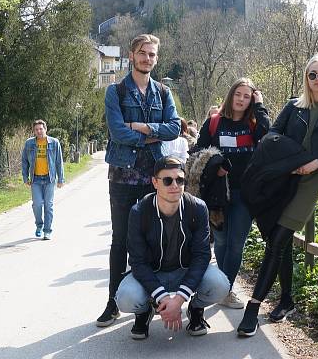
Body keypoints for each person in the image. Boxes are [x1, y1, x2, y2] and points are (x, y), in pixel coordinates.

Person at [236, 53, 318, 336]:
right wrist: (288, 160)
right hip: (283, 179)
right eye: (312, 74)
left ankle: (253, 308)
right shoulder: (294, 106)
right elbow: (271, 136)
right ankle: (287, 300)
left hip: (309, 184)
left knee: (278, 240)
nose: (317, 79)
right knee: (277, 240)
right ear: (306, 78)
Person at [96, 34, 181, 327]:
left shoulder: (163, 92)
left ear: (156, 58)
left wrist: (143, 127)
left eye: (152, 54)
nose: (147, 58)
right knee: (120, 241)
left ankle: (146, 306)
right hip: (122, 176)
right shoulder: (115, 92)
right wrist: (153, 135)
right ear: (132, 55)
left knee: (150, 242)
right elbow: (118, 133)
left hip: (153, 179)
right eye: (142, 53)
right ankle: (112, 302)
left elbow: (174, 128)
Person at [115, 156, 230, 339]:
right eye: (167, 180)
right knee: (126, 298)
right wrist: (162, 297)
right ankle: (144, 312)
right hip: (153, 273)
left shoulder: (197, 208)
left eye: (180, 180)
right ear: (155, 182)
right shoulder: (139, 211)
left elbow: (202, 256)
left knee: (221, 285)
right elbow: (138, 261)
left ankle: (196, 309)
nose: (174, 185)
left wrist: (179, 299)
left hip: (185, 270)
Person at [190, 77, 270, 308]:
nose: (241, 100)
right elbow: (198, 152)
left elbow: (268, 137)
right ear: (231, 95)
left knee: (237, 243)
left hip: (245, 193)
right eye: (238, 94)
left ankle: (225, 288)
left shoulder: (253, 124)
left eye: (247, 96)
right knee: (223, 242)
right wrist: (214, 164)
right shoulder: (214, 123)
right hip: (217, 194)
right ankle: (221, 288)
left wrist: (260, 105)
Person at [21, 120, 65, 240]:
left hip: (49, 178)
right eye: (36, 129)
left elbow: (59, 162)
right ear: (34, 131)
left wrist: (61, 178)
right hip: (35, 179)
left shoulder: (54, 143)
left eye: (41, 129)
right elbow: (24, 161)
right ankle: (39, 225)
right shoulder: (29, 143)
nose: (39, 131)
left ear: (45, 129)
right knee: (37, 204)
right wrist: (25, 177)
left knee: (48, 205)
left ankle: (47, 231)